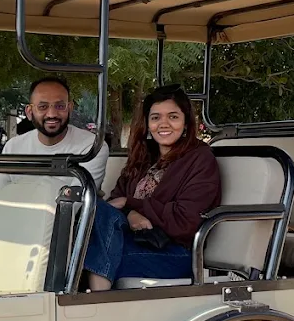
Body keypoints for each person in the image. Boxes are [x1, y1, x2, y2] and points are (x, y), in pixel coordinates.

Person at [83, 85, 221, 289]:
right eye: (156, 117)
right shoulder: (144, 155)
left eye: (173, 117)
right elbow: (116, 202)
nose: (163, 124)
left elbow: (185, 221)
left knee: (86, 253)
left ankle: (97, 300)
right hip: (134, 241)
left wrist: (131, 204)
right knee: (90, 209)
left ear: (186, 122)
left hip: (174, 252)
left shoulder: (200, 159)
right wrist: (131, 214)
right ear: (148, 123)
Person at [0, 77, 109, 194]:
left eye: (60, 106)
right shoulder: (13, 147)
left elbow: (77, 201)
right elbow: (1, 198)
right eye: (42, 107)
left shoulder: (91, 147)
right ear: (29, 112)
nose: (52, 114)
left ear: (70, 109)